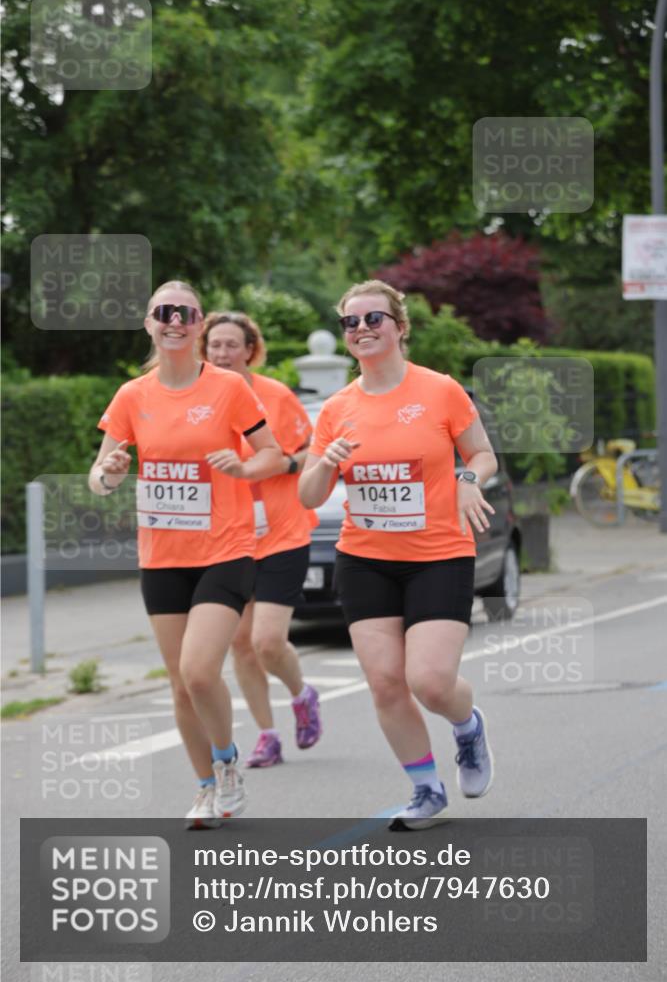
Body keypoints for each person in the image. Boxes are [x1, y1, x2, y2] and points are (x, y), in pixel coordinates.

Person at [299, 279, 497, 829]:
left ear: (400, 327)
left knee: (430, 682)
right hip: (365, 559)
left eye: (373, 319)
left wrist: (465, 478)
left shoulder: (440, 390)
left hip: (438, 553)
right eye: (351, 323)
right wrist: (323, 462)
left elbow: (482, 454)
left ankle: (467, 727)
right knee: (386, 681)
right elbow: (308, 497)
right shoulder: (337, 408)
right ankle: (426, 790)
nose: (361, 329)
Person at [89, 281, 283, 828]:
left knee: (200, 672)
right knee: (178, 682)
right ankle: (204, 787)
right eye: (163, 312)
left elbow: (273, 455)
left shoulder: (228, 388)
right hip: (162, 554)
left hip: (225, 548)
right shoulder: (132, 395)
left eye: (185, 312)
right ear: (149, 323)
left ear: (199, 325)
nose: (174, 320)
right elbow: (100, 475)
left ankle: (226, 766)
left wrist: (244, 468)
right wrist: (108, 475)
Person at [203, 312, 322, 767]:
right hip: (228, 536)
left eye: (232, 345)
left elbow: (314, 450)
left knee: (268, 641)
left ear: (250, 349)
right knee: (239, 643)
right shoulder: (200, 401)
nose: (222, 354)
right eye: (215, 345)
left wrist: (287, 465)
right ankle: (267, 735)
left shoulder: (275, 395)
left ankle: (302, 694)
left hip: (281, 530)